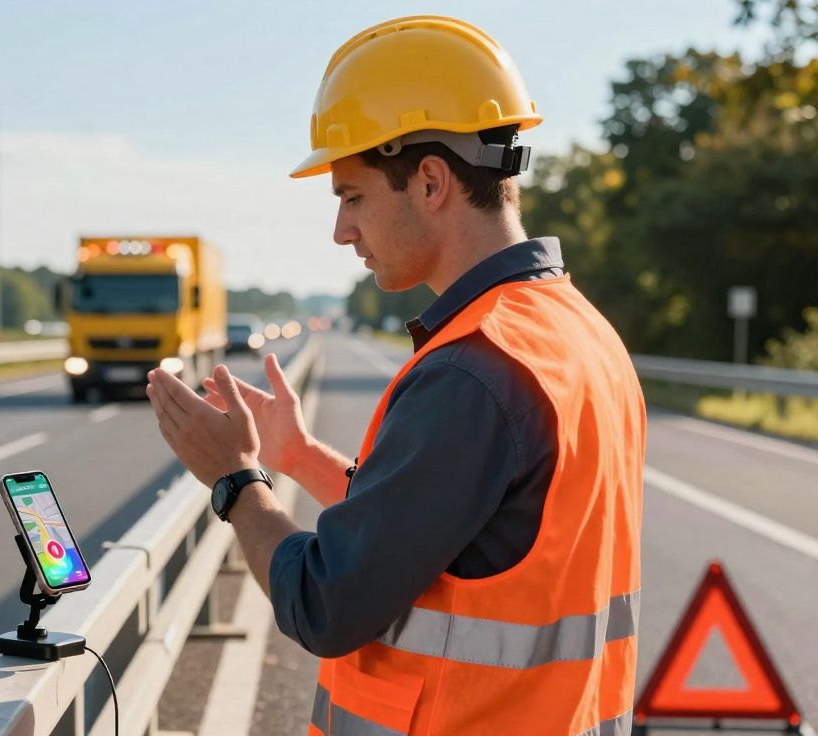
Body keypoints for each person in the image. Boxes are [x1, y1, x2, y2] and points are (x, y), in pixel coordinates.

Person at [145, 15, 646, 736]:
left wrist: (238, 482)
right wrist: (299, 458)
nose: (341, 231)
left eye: (352, 196)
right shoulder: (579, 332)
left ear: (432, 182)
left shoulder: (475, 372)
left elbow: (325, 604)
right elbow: (461, 528)